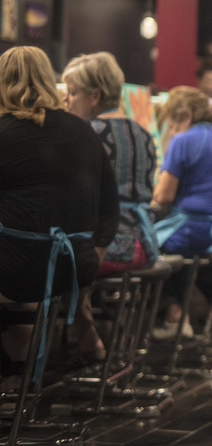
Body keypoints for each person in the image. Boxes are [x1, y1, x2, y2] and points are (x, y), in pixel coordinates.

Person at [0, 47, 119, 391]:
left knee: (16, 272)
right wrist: (89, 260)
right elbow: (110, 209)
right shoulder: (84, 132)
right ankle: (17, 380)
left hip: (21, 267)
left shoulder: (4, 132)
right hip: (74, 268)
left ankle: (14, 376)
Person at [63, 52, 159, 361]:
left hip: (104, 249)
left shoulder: (85, 134)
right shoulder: (143, 134)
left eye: (72, 92)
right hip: (142, 245)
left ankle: (86, 335)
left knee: (51, 258)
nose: (66, 100)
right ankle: (102, 338)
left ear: (95, 96)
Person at [150, 86, 212, 339]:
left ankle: (174, 315)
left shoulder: (183, 140)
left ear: (185, 115)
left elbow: (162, 197)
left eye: (171, 124)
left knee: (146, 246)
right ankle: (184, 317)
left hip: (193, 231)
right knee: (176, 249)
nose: (171, 131)